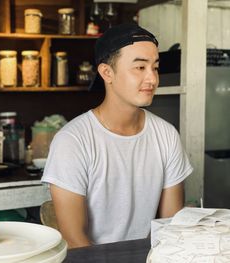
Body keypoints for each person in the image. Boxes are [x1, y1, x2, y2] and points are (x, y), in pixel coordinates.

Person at [41, 23, 193, 249]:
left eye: (155, 67)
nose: (152, 79)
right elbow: (75, 240)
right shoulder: (73, 141)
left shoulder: (166, 135)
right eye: (140, 68)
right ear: (107, 73)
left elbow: (170, 228)